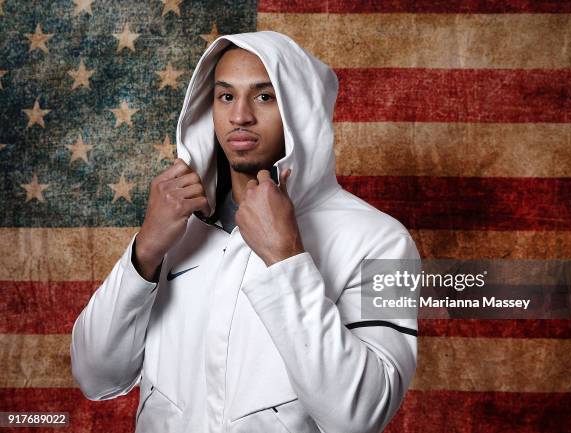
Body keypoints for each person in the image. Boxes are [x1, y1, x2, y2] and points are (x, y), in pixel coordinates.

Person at [70, 31, 420, 433]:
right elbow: (95, 376)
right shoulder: (175, 227)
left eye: (264, 96)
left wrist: (285, 259)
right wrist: (146, 247)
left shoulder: (386, 242)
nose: (240, 117)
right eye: (225, 96)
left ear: (301, 109)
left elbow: (361, 415)